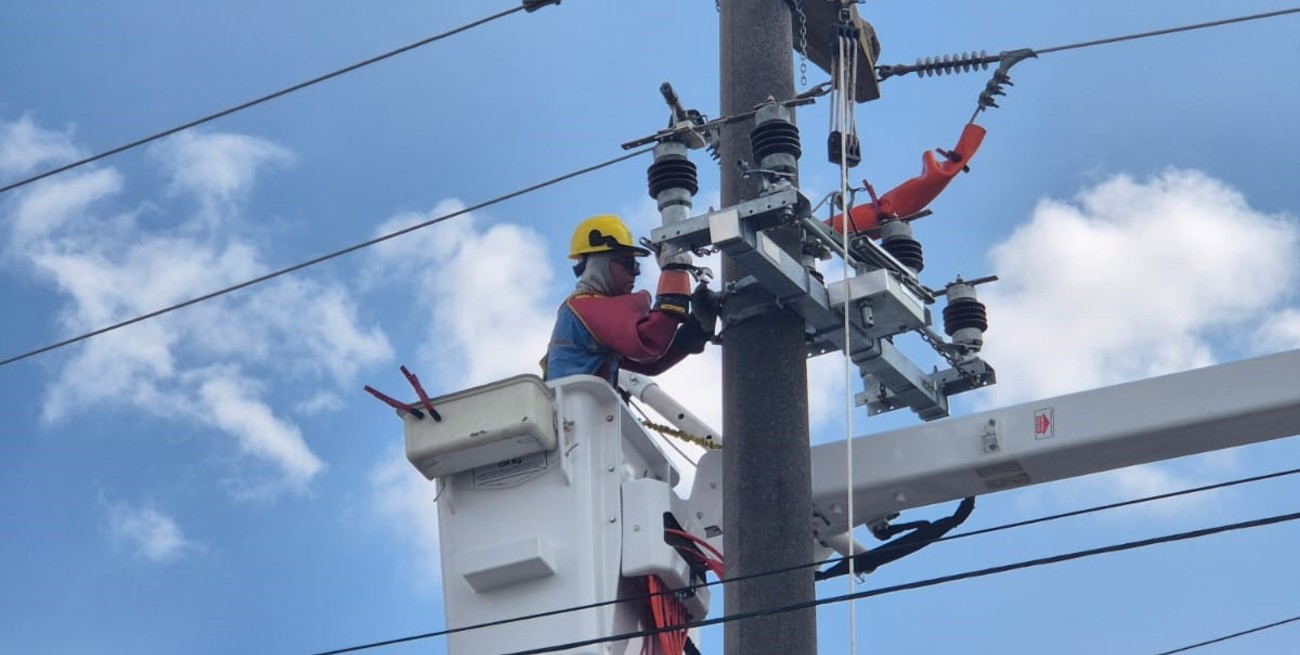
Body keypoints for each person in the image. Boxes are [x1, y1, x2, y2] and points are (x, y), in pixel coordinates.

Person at [544, 214, 717, 386]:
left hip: (582, 402)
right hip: (580, 402)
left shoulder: (587, 319)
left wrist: (697, 327)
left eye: (636, 265)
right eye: (629, 264)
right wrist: (675, 272)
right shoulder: (583, 307)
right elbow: (649, 342)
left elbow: (651, 364)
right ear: (600, 264)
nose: (636, 272)